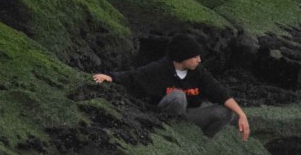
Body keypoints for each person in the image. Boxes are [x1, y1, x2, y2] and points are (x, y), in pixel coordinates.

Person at [92, 34, 250, 141]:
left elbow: (220, 93)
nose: (199, 60)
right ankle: (172, 135)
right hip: (165, 116)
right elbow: (133, 77)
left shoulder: (198, 72)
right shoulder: (161, 68)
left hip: (189, 116)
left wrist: (242, 115)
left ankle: (200, 139)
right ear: (183, 57)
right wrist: (110, 77)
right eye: (195, 56)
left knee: (227, 111)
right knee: (178, 96)